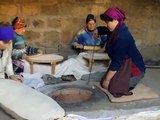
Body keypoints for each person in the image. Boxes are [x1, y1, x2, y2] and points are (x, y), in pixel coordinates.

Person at [24, 14, 108, 80]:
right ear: (86, 24)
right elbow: (73, 42)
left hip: (98, 55)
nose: (91, 26)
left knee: (101, 66)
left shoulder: (100, 31)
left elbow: (108, 42)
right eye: (89, 24)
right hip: (85, 54)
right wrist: (77, 45)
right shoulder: (82, 33)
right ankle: (48, 71)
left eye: (93, 24)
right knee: (72, 63)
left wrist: (102, 49)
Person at [98, 7, 146, 92]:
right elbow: (105, 29)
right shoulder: (117, 29)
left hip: (134, 68)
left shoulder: (123, 37)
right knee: (103, 82)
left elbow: (117, 61)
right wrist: (96, 30)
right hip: (122, 64)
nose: (106, 24)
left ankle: (132, 82)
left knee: (112, 87)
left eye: (107, 22)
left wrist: (107, 80)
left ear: (115, 20)